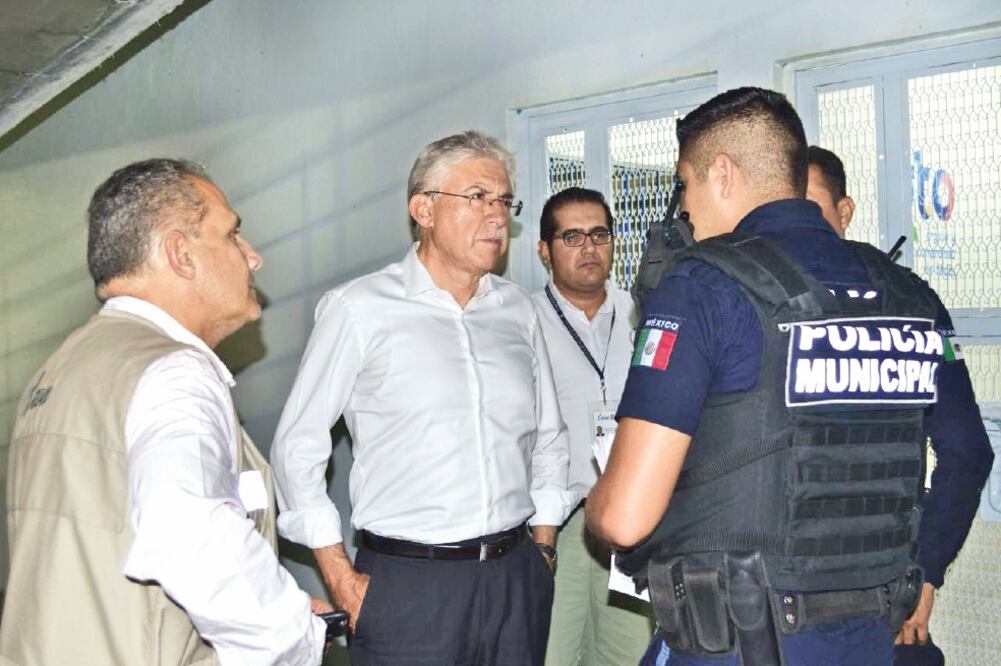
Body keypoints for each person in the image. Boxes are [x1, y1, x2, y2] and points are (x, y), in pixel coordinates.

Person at [586, 86, 976, 665]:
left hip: (736, 637)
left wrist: (597, 503)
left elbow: (624, 518)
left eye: (685, 185)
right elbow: (967, 449)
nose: (685, 210)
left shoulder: (702, 285)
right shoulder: (909, 295)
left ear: (721, 174)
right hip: (868, 638)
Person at [0, 159, 330, 665]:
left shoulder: (59, 369)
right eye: (233, 234)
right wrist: (292, 635)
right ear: (181, 254)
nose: (253, 257)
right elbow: (188, 530)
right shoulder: (174, 373)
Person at [270, 130, 572, 665]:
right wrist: (342, 579)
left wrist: (543, 548)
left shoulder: (518, 311)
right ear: (423, 209)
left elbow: (549, 437)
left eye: (504, 201)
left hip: (515, 577)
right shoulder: (360, 309)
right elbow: (298, 446)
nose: (498, 216)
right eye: (478, 197)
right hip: (408, 587)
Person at [807, 145, 993, 666]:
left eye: (810, 208)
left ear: (845, 212)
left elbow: (967, 453)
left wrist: (926, 573)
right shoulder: (908, 298)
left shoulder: (910, 301)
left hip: (863, 603)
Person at [532, 187, 654, 665]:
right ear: (544, 249)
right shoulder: (523, 320)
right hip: (554, 524)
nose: (589, 248)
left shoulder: (641, 314)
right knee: (553, 653)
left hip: (628, 519)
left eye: (600, 234)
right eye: (572, 236)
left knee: (628, 654)